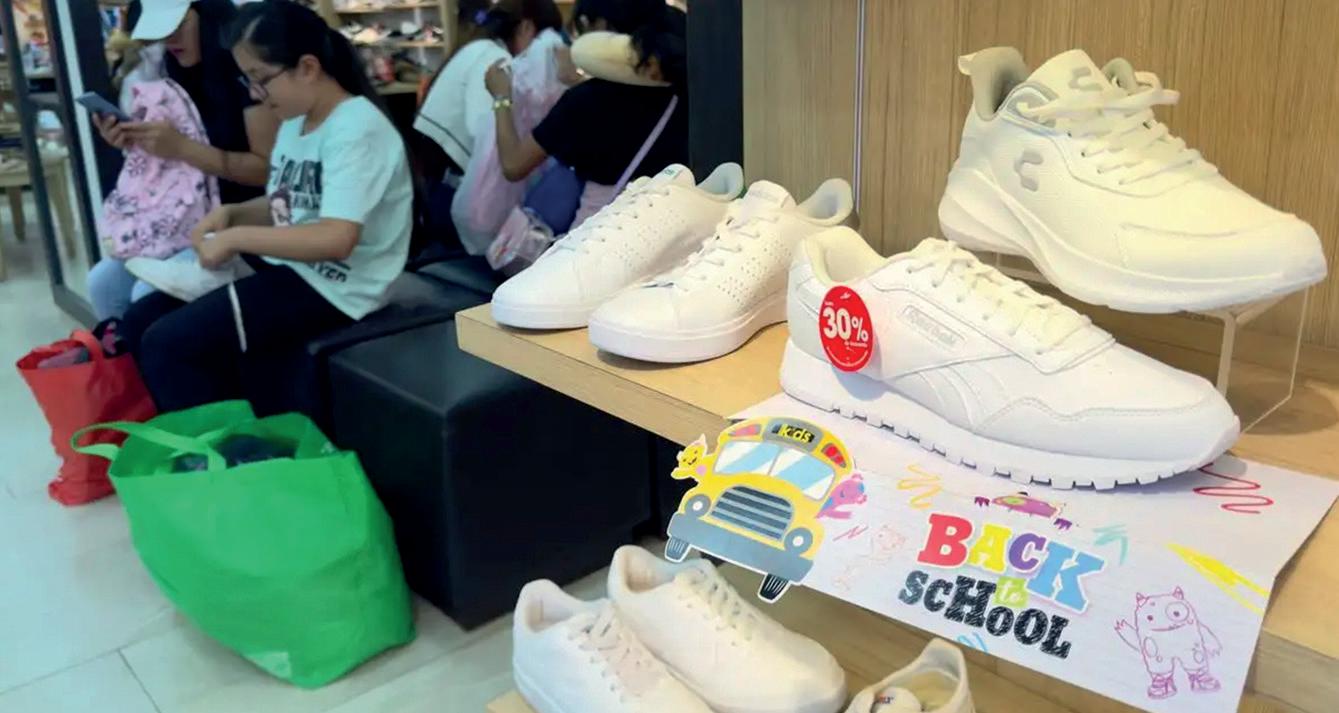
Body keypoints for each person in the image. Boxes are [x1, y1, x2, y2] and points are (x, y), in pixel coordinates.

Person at [119, 0, 414, 413]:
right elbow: (287, 203)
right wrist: (233, 215)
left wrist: (236, 237)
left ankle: (233, 450)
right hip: (293, 268)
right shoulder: (296, 121)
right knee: (139, 321)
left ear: (307, 68)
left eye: (261, 80)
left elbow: (336, 238)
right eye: (248, 80)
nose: (255, 94)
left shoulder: (357, 129)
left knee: (170, 345)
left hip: (339, 287)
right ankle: (209, 437)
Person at [87, 0, 280, 321]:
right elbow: (168, 162)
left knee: (146, 296)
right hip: (181, 220)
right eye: (161, 30)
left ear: (209, 15)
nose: (169, 38)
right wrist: (133, 142)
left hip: (243, 221)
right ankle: (122, 354)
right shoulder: (169, 73)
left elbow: (269, 172)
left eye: (179, 25)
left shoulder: (248, 77)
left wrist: (181, 147)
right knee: (103, 283)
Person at [486, 0, 686, 202]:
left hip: (604, 217)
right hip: (674, 211)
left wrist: (501, 98)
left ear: (603, 25)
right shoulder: (683, 85)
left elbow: (513, 165)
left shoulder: (585, 100)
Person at [414, 0, 563, 177]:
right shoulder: (495, 58)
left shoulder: (483, 47)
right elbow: (482, 131)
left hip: (439, 166)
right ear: (526, 28)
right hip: (446, 175)